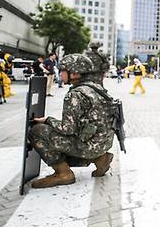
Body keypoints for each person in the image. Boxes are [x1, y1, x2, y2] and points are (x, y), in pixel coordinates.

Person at [27, 54, 115, 188]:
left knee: (37, 131)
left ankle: (63, 173)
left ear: (74, 73)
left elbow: (67, 128)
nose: (61, 74)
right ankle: (101, 159)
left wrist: (47, 120)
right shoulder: (97, 88)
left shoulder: (75, 94)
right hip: (104, 144)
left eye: (63, 71)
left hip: (89, 146)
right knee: (74, 138)